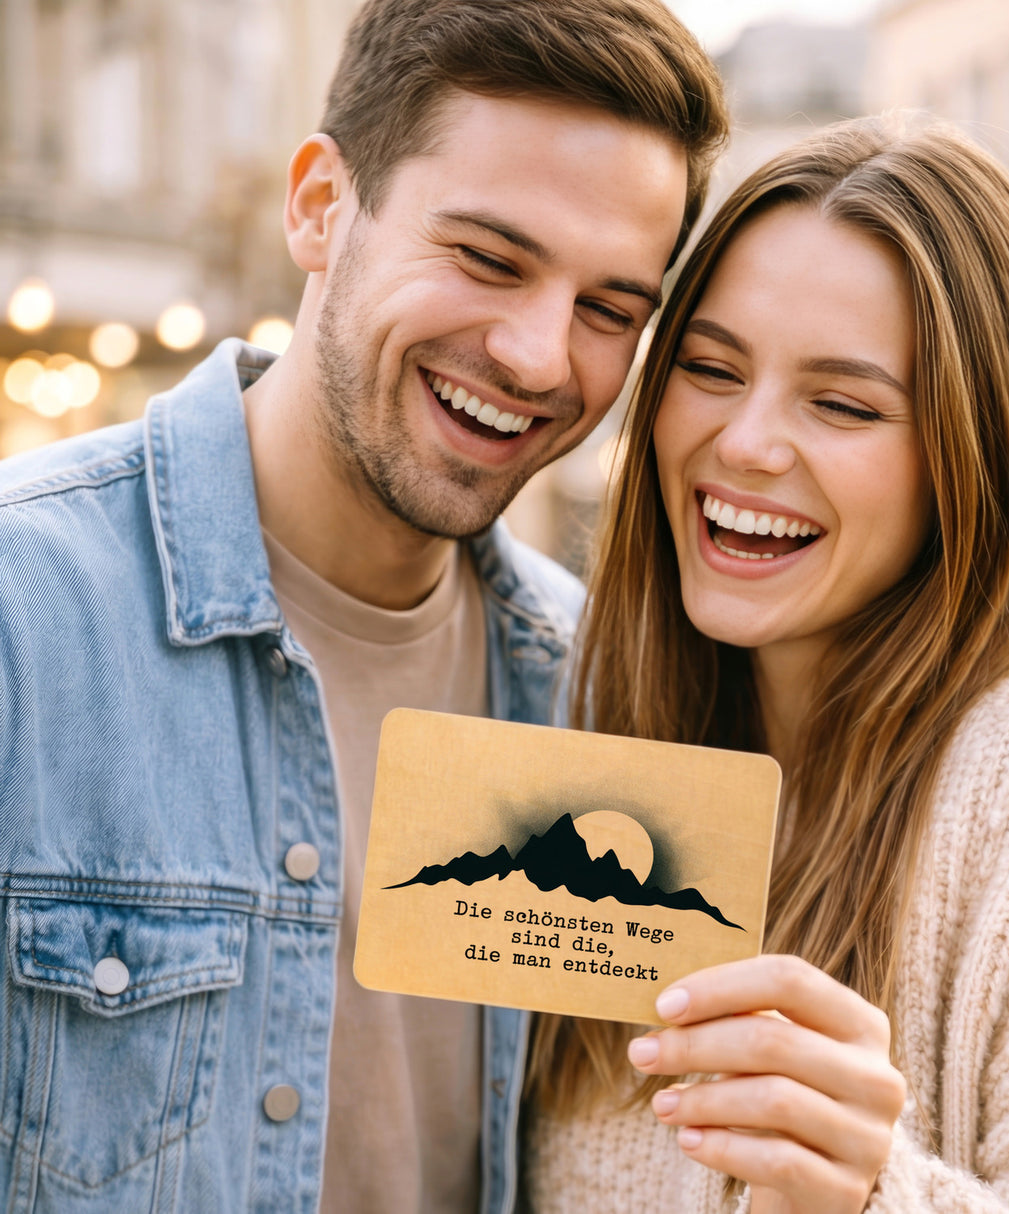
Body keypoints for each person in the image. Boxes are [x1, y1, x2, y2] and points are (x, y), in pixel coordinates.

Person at [0, 2, 728, 1211]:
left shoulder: (598, 692)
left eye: (609, 308)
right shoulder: (26, 611)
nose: (542, 356)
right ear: (320, 207)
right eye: (488, 258)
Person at [523, 115, 1009, 1213]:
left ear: (972, 454)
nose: (745, 441)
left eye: (840, 403)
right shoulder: (608, 728)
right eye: (708, 367)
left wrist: (869, 1193)